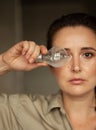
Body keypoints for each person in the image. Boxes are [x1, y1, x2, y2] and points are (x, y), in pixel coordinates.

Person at [0, 13, 96, 130]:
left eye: (87, 54)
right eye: (63, 56)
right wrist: (4, 63)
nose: (76, 67)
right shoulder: (19, 112)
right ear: (50, 64)